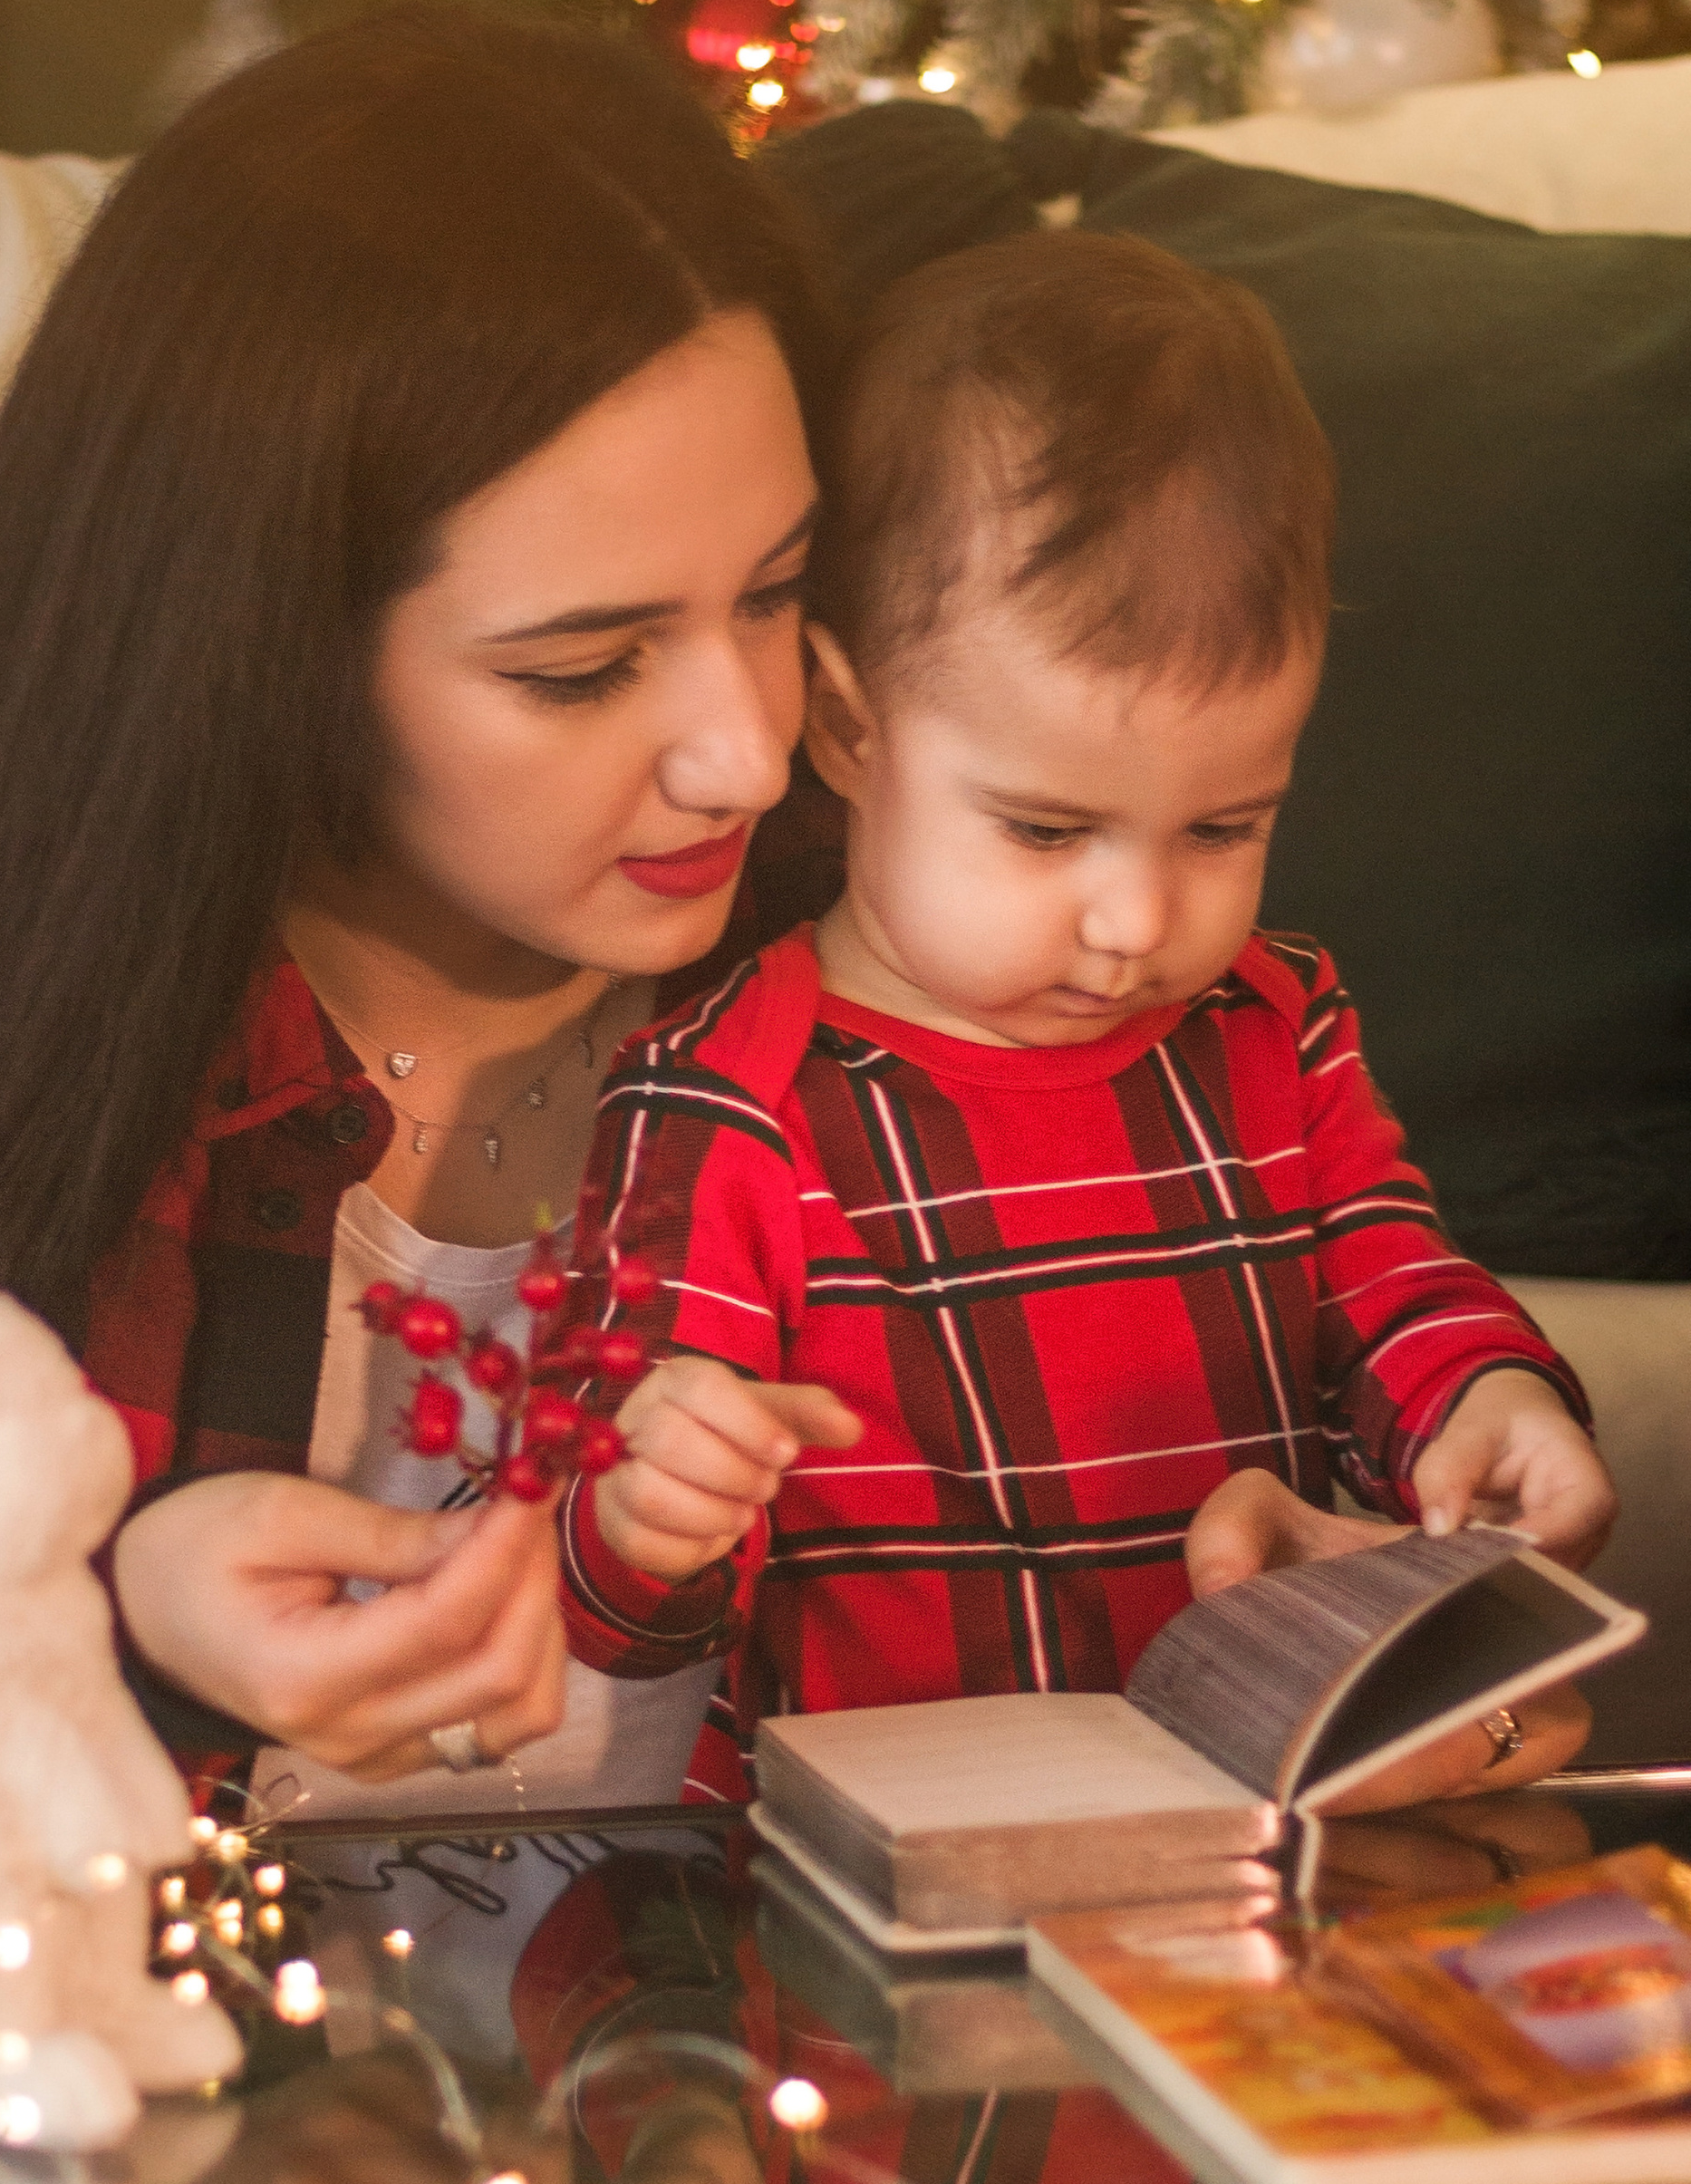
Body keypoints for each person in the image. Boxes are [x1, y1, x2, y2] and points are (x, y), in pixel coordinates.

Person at [0, 6, 839, 1837]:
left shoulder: (874, 899)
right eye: (583, 666)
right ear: (265, 632)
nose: (746, 753)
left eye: (774, 591)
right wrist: (112, 1644)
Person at [553, 229, 1616, 1807]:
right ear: (847, 726)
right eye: (1047, 832)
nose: (1138, 924)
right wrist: (646, 1510)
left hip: (1261, 1813)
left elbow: (1387, 1275)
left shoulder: (1273, 1023)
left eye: (1223, 828)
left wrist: (1491, 1398)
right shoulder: (722, 1104)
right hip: (883, 1868)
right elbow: (621, 1614)